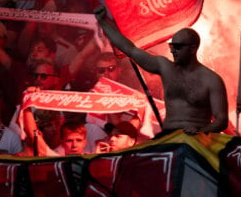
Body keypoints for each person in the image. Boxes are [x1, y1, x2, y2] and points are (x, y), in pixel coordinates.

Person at [95, 8, 228, 136]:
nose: (172, 50)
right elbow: (130, 49)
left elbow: (221, 120)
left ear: (193, 48)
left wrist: (201, 131)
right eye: (171, 46)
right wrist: (103, 23)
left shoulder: (211, 79)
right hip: (170, 137)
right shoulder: (165, 67)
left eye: (178, 47)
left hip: (197, 141)